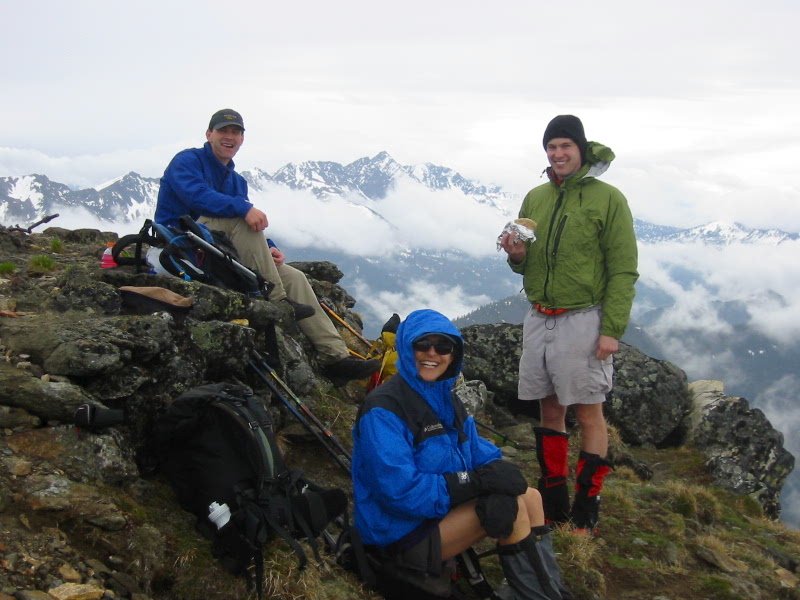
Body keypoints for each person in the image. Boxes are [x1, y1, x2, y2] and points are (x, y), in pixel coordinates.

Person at [352, 309, 571, 599]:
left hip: (434, 515)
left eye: (443, 346)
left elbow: (475, 450)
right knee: (515, 507)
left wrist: (499, 471)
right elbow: (400, 493)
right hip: (394, 535)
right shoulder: (384, 409)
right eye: (422, 344)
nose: (432, 353)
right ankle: (539, 594)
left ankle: (548, 588)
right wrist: (475, 482)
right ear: (406, 347)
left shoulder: (445, 398)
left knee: (530, 496)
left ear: (454, 354)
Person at [154, 109, 380, 383]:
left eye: (236, 132)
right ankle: (279, 302)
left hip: (217, 247)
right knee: (240, 215)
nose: (230, 137)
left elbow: (245, 226)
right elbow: (197, 196)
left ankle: (335, 358)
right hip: (182, 242)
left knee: (294, 277)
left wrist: (268, 247)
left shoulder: (236, 181)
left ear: (242, 139)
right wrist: (243, 209)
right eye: (223, 131)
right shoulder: (188, 161)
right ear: (209, 134)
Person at [500, 115, 639, 534]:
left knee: (589, 413)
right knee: (549, 408)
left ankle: (586, 507)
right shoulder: (536, 197)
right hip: (539, 316)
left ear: (580, 149)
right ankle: (554, 501)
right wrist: (516, 255)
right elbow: (524, 262)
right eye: (551, 147)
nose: (557, 154)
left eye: (565, 146)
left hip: (583, 318)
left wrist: (611, 329)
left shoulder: (608, 199)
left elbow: (623, 269)